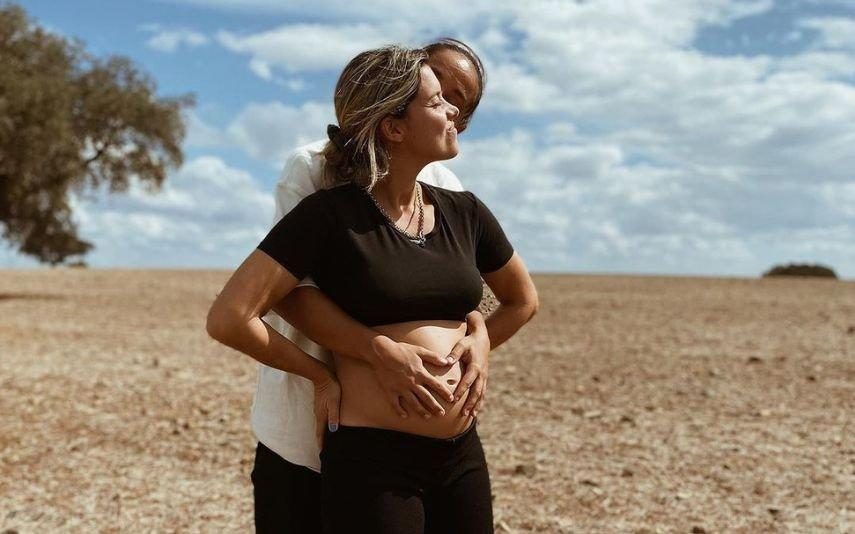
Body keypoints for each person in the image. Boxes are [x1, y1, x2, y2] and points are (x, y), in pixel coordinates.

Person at [207, 44, 538, 533]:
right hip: (335, 440)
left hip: (460, 452)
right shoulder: (320, 191)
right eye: (437, 93)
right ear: (393, 121)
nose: (450, 108)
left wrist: (481, 339)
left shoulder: (456, 200)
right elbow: (269, 299)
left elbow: (518, 299)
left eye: (458, 102)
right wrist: (339, 367)